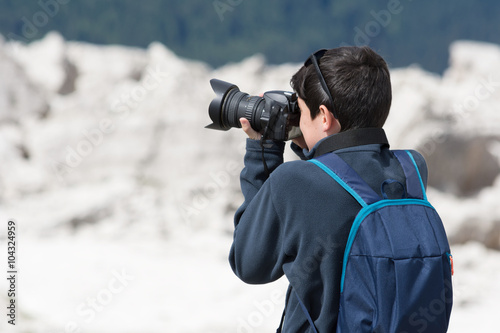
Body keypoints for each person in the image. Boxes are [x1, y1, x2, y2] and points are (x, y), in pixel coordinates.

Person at [229, 46, 428, 332]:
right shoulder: (411, 169)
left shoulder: (292, 181)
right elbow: (344, 182)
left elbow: (249, 263)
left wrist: (262, 153)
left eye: (300, 110)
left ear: (324, 116)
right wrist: (313, 146)